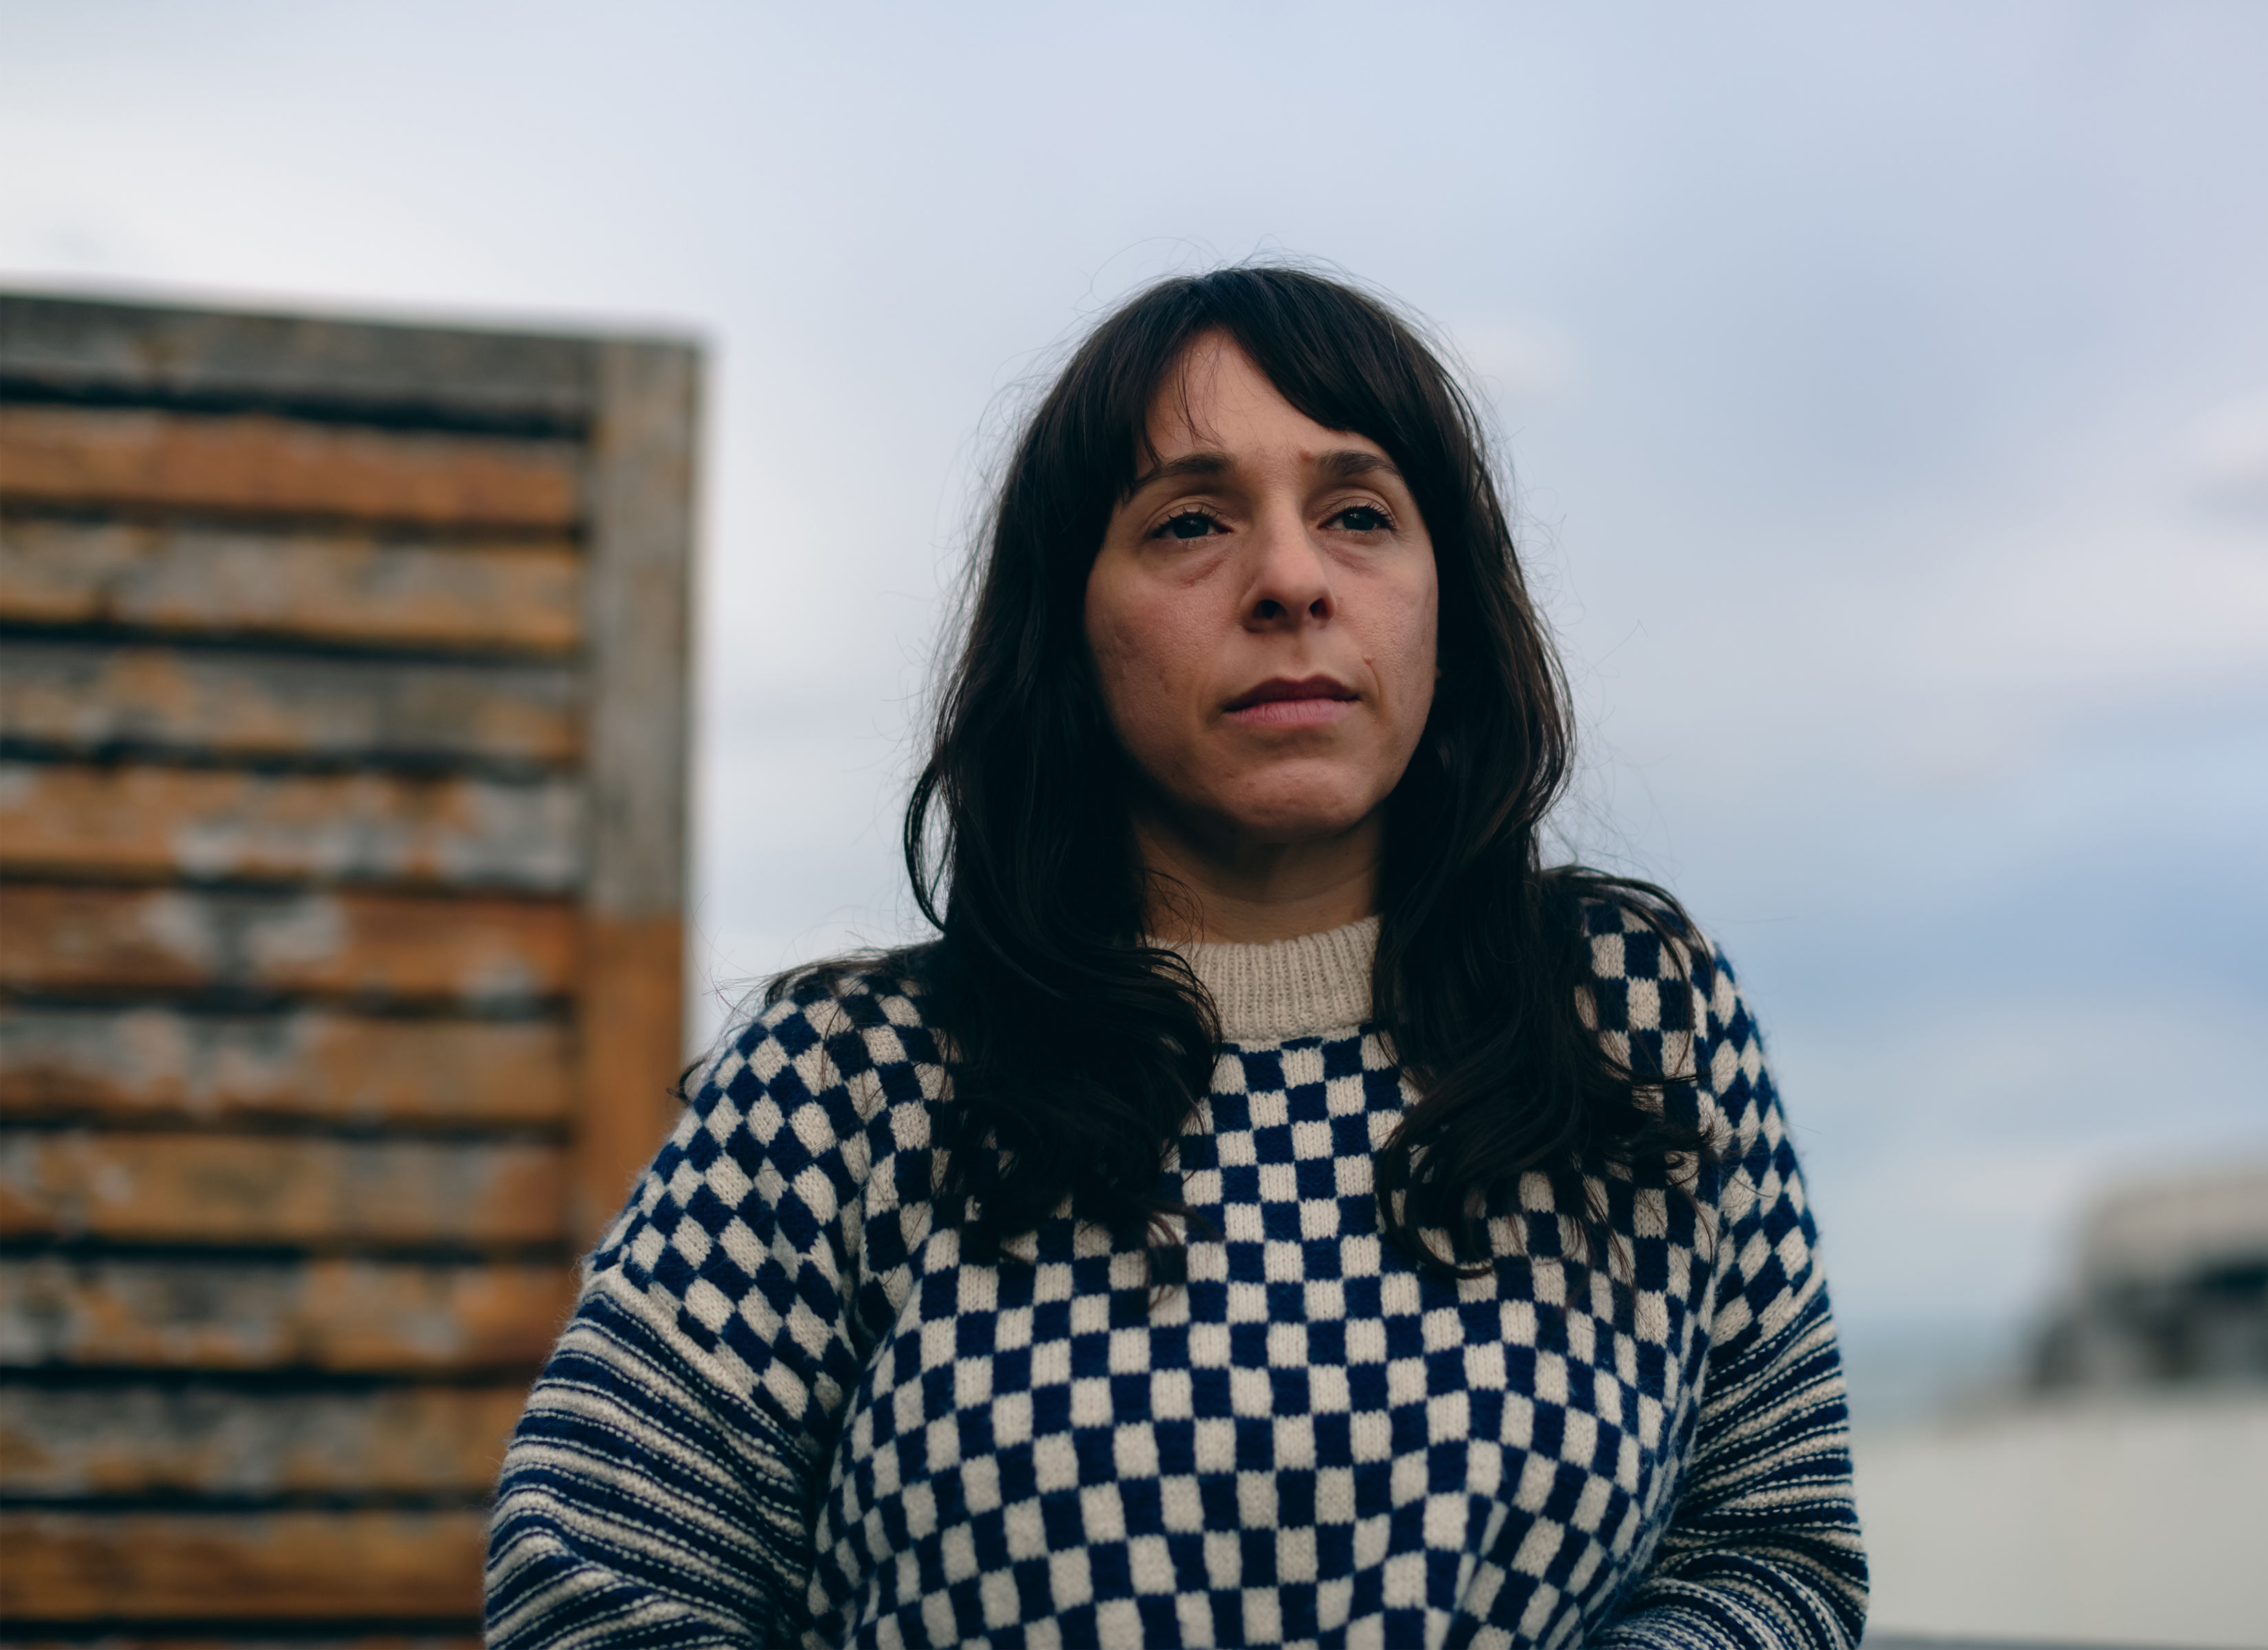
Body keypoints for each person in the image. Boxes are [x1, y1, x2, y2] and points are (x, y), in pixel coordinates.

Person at [487, 265, 1866, 1648]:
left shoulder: (1631, 1013)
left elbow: (1774, 1544)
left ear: (1447, 599)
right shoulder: (851, 1081)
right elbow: (590, 1580)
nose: (1288, 579)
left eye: (1361, 514)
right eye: (1192, 521)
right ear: (1068, 624)